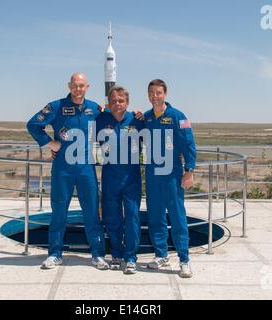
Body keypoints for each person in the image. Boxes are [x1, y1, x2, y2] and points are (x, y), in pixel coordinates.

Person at [27, 73, 109, 270]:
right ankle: (55, 254)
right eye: (75, 85)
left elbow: (114, 120)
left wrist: (137, 116)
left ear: (87, 87)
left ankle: (97, 254)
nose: (78, 89)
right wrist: (49, 142)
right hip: (63, 169)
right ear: (69, 86)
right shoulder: (56, 106)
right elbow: (33, 124)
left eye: (82, 86)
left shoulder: (95, 108)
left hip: (86, 169)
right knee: (59, 211)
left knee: (91, 212)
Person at [143, 79, 197, 278]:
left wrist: (189, 170)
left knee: (177, 216)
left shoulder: (178, 116)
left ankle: (184, 259)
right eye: (151, 93)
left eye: (158, 93)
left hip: (172, 175)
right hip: (152, 174)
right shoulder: (146, 118)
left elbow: (189, 144)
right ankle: (161, 255)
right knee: (155, 215)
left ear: (165, 93)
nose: (154, 96)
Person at [96, 86, 145, 275]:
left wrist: (179, 155)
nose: (117, 104)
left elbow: (162, 133)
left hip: (131, 177)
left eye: (121, 101)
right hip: (109, 175)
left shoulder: (137, 120)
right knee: (112, 217)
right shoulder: (101, 120)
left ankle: (131, 257)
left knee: (132, 217)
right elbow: (80, 133)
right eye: (114, 101)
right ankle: (116, 254)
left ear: (127, 102)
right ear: (109, 102)